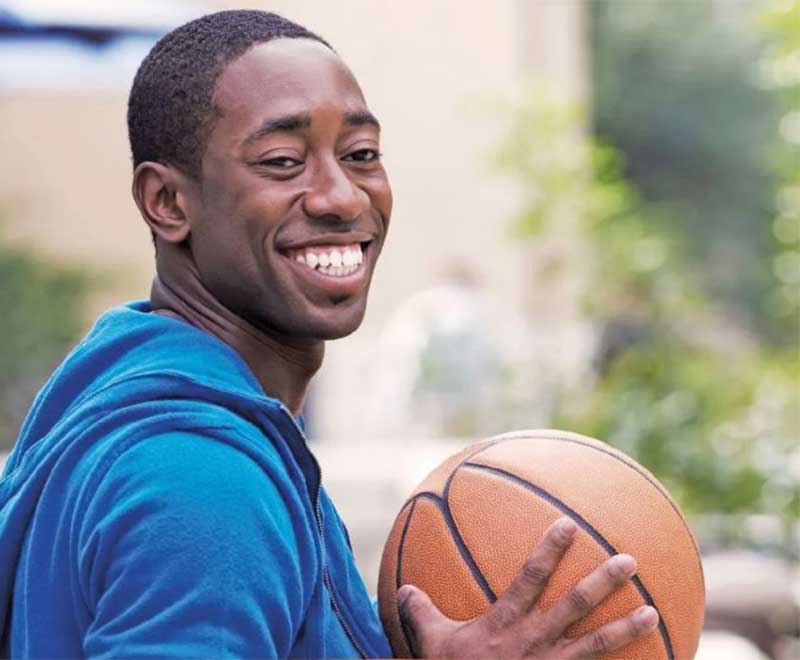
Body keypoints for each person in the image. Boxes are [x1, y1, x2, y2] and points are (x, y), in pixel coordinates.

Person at [0, 10, 659, 658]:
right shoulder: (205, 485)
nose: (341, 196)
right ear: (169, 203)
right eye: (283, 160)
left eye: (361, 154)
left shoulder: (117, 394)